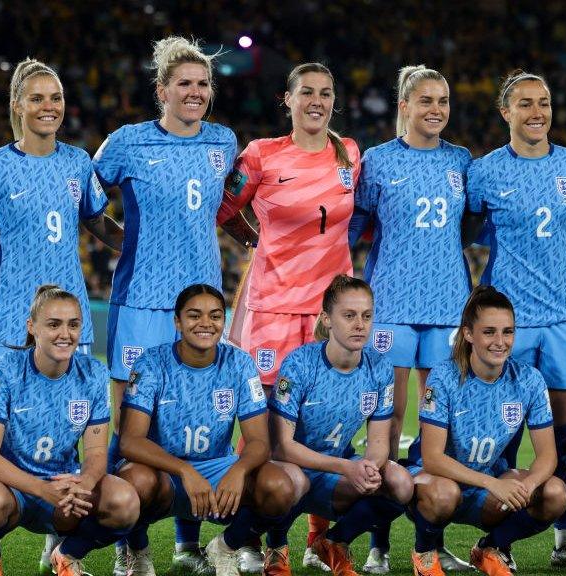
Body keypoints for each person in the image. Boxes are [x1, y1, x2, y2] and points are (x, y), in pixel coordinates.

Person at [0, 57, 120, 574]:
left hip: (68, 319)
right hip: (6, 320)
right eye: (38, 98)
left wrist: (138, 246)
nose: (49, 107)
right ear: (17, 104)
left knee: (72, 425)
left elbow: (98, 223)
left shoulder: (79, 162)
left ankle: (61, 533)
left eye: (56, 97)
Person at [93, 36, 238, 573]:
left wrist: (250, 235)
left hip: (201, 306)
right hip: (141, 303)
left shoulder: (223, 141)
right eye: (185, 84)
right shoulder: (127, 142)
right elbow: (83, 200)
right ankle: (126, 546)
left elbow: (231, 204)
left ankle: (186, 544)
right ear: (162, 91)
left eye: (203, 84)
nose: (196, 92)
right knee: (130, 426)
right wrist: (122, 242)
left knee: (194, 421)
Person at [216, 62, 361, 572]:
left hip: (330, 313)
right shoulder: (260, 155)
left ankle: (317, 537)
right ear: (288, 99)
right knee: (274, 432)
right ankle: (268, 541)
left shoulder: (350, 155)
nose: (317, 101)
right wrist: (256, 240)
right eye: (307, 93)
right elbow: (222, 206)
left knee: (329, 422)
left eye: (326, 93)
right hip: (274, 308)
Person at [466, 69, 566, 567]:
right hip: (507, 323)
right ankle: (498, 541)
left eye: (544, 103)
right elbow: (463, 236)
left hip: (563, 318)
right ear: (505, 112)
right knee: (503, 431)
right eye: (525, 104)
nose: (537, 113)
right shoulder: (484, 171)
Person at [351, 64, 480, 574]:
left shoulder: (462, 161)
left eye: (443, 101)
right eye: (425, 100)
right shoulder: (378, 162)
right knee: (386, 428)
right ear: (403, 106)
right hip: (391, 308)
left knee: (438, 433)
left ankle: (430, 537)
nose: (436, 110)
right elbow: (356, 226)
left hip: (449, 306)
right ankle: (378, 541)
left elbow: (470, 225)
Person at [116, 284, 299, 576]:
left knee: (279, 487)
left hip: (218, 469)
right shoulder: (151, 363)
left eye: (215, 316)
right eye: (194, 315)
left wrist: (238, 471)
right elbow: (130, 441)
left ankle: (225, 546)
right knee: (134, 481)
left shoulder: (239, 363)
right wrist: (185, 471)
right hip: (163, 472)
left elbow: (259, 442)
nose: (205, 323)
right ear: (177, 321)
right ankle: (137, 554)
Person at [0, 285, 139, 576]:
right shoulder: (4, 369)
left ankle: (65, 556)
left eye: (73, 324)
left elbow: (95, 455)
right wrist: (43, 489)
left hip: (63, 488)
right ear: (32, 327)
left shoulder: (93, 373)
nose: (65, 334)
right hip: (9, 487)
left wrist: (85, 483)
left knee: (124, 502)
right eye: (53, 324)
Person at [407, 286, 566, 576]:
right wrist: (491, 483)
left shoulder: (529, 380)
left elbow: (547, 456)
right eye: (489, 332)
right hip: (434, 484)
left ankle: (489, 548)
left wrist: (528, 486)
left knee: (555, 492)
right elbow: (432, 458)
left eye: (507, 332)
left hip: (486, 489)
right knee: (444, 493)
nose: (500, 341)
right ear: (468, 334)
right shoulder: (444, 375)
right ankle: (424, 553)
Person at [265, 275, 414, 576]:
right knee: (292, 481)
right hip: (289, 469)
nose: (360, 324)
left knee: (400, 482)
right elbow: (281, 446)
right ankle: (276, 548)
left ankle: (334, 541)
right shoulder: (300, 363)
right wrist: (347, 468)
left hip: (334, 472)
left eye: (366, 316)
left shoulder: (379, 368)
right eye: (349, 315)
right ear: (327, 319)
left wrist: (368, 468)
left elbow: (379, 442)